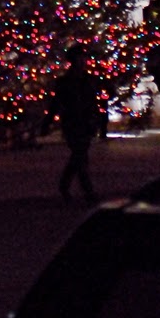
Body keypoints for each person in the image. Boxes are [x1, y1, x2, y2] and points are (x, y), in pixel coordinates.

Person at [46, 45, 103, 202]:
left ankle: (64, 185)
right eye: (80, 57)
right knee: (80, 156)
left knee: (78, 157)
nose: (83, 61)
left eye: (83, 57)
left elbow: (96, 100)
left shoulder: (89, 79)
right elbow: (56, 103)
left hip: (86, 123)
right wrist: (48, 122)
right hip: (72, 122)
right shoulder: (65, 81)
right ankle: (88, 192)